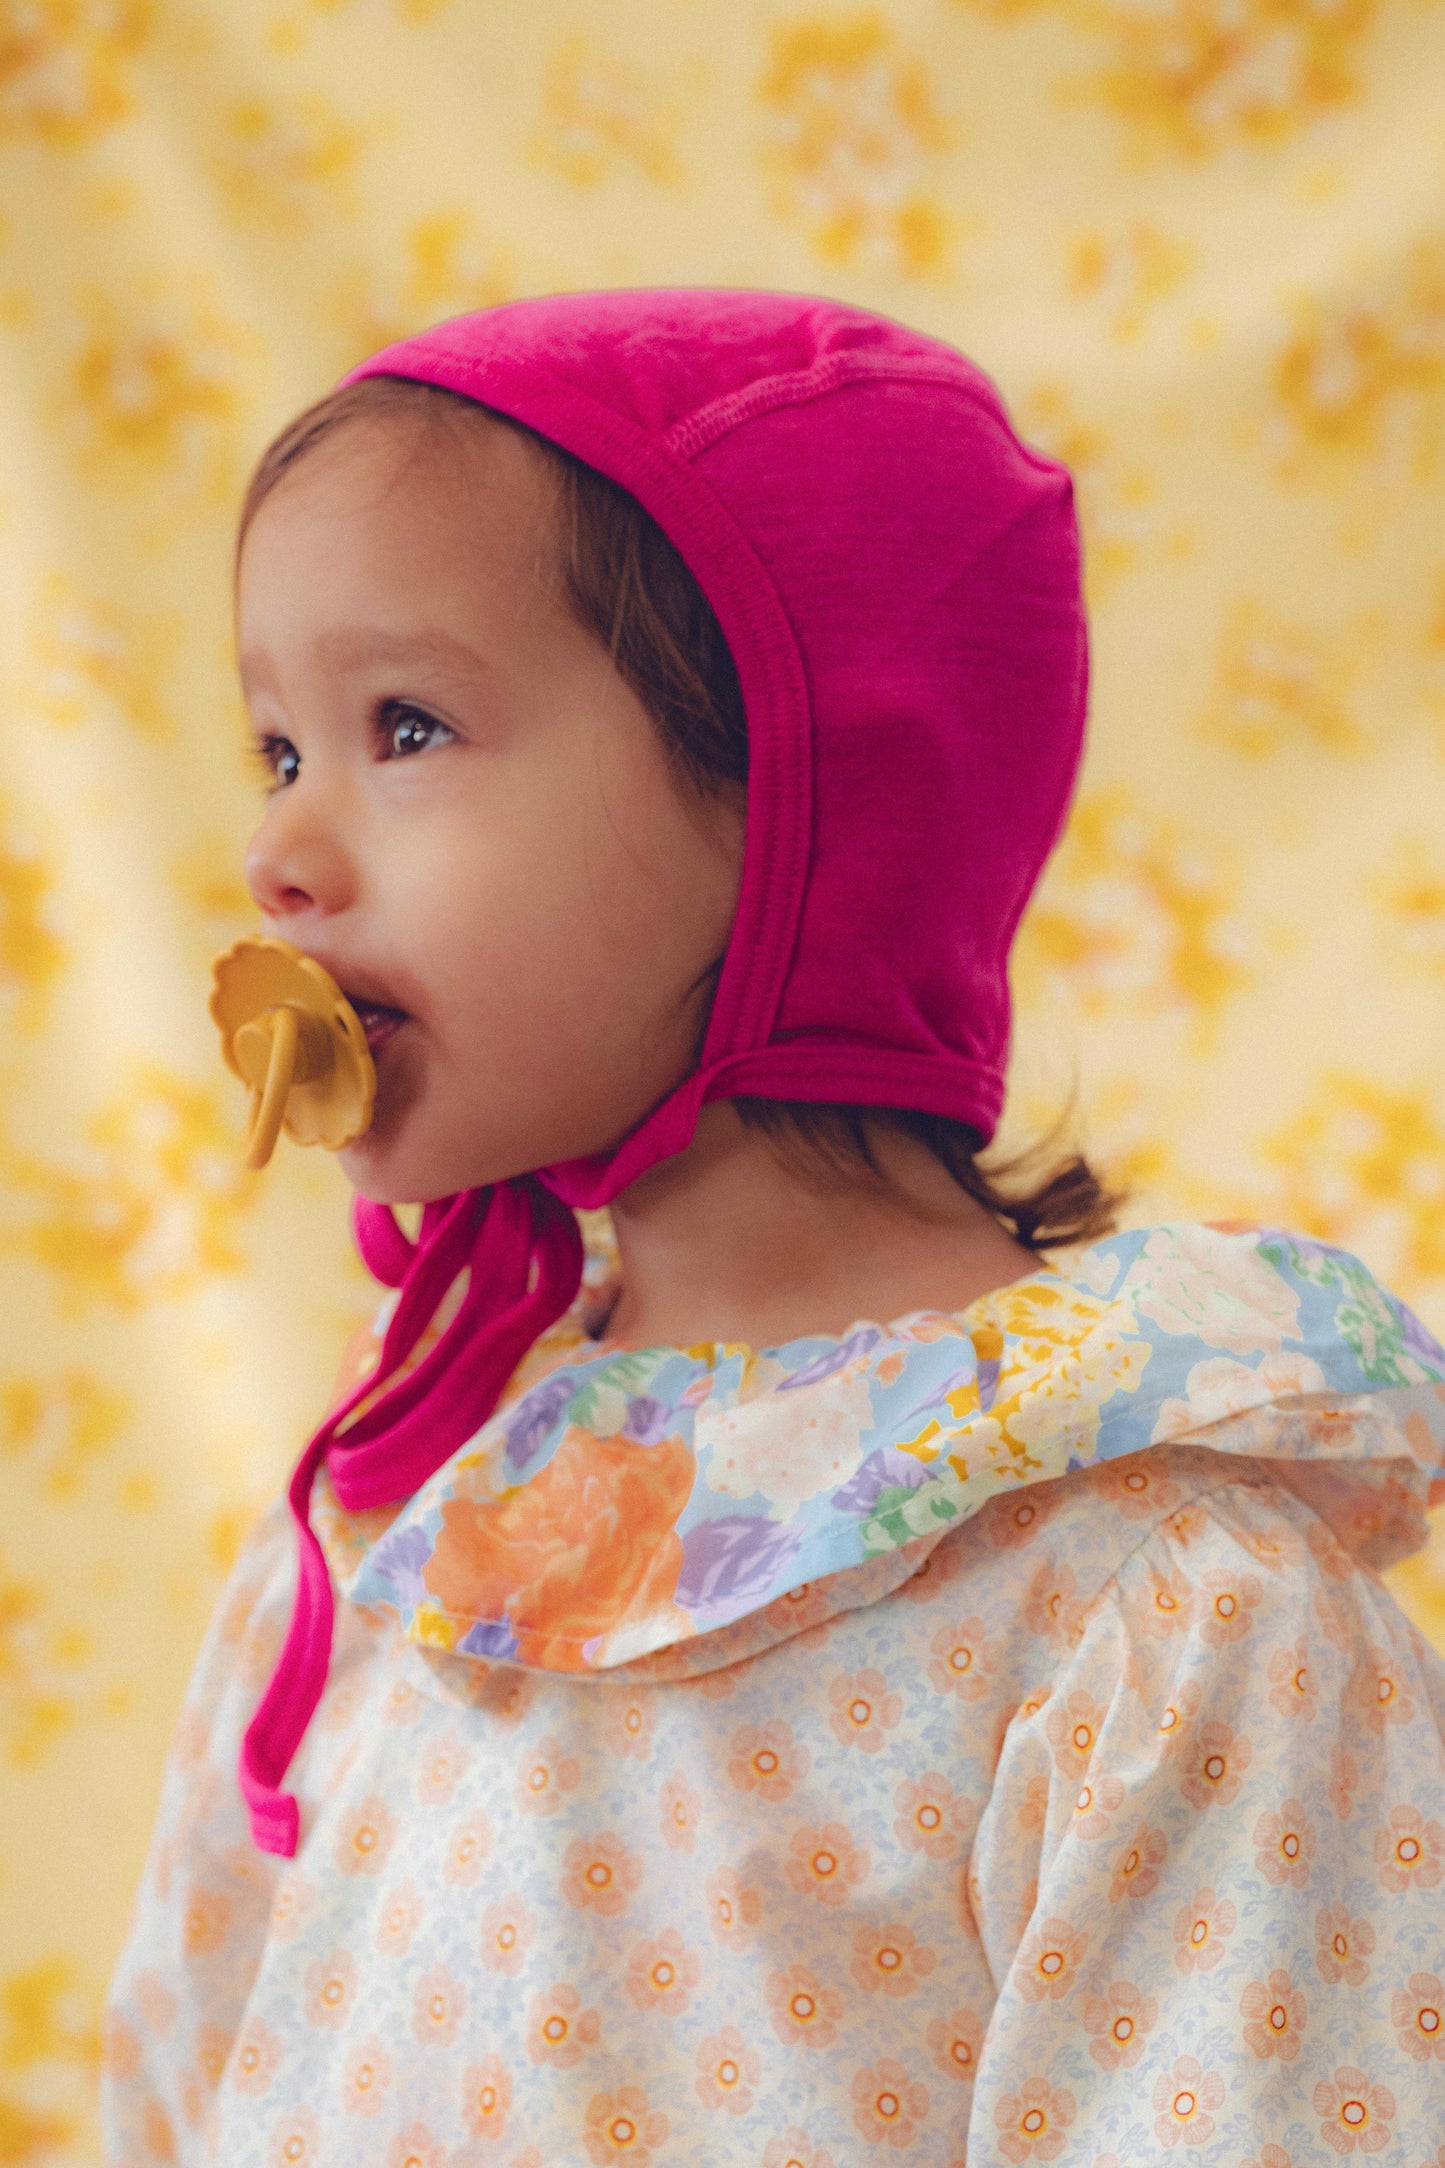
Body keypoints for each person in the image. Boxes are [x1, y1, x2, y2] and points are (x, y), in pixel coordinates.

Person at [99, 289, 1445, 2168]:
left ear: (806, 809)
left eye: (402, 725)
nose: (281, 851)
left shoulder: (1155, 1610)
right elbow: (181, 2097)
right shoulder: (401, 1531)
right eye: (275, 749)